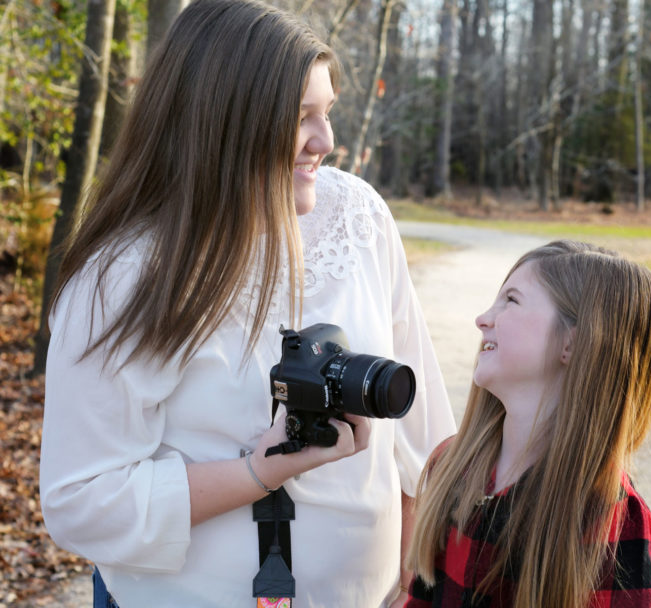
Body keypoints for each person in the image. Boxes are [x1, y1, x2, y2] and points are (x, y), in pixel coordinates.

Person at [38, 1, 456, 607]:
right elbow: (82, 502)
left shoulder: (360, 217)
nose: (327, 141)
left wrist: (414, 578)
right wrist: (257, 474)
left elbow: (422, 435)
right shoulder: (121, 277)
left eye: (328, 113)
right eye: (301, 117)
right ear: (224, 122)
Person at [405, 240, 651, 608]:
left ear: (574, 343)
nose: (482, 318)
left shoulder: (612, 520)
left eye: (511, 301)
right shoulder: (453, 467)